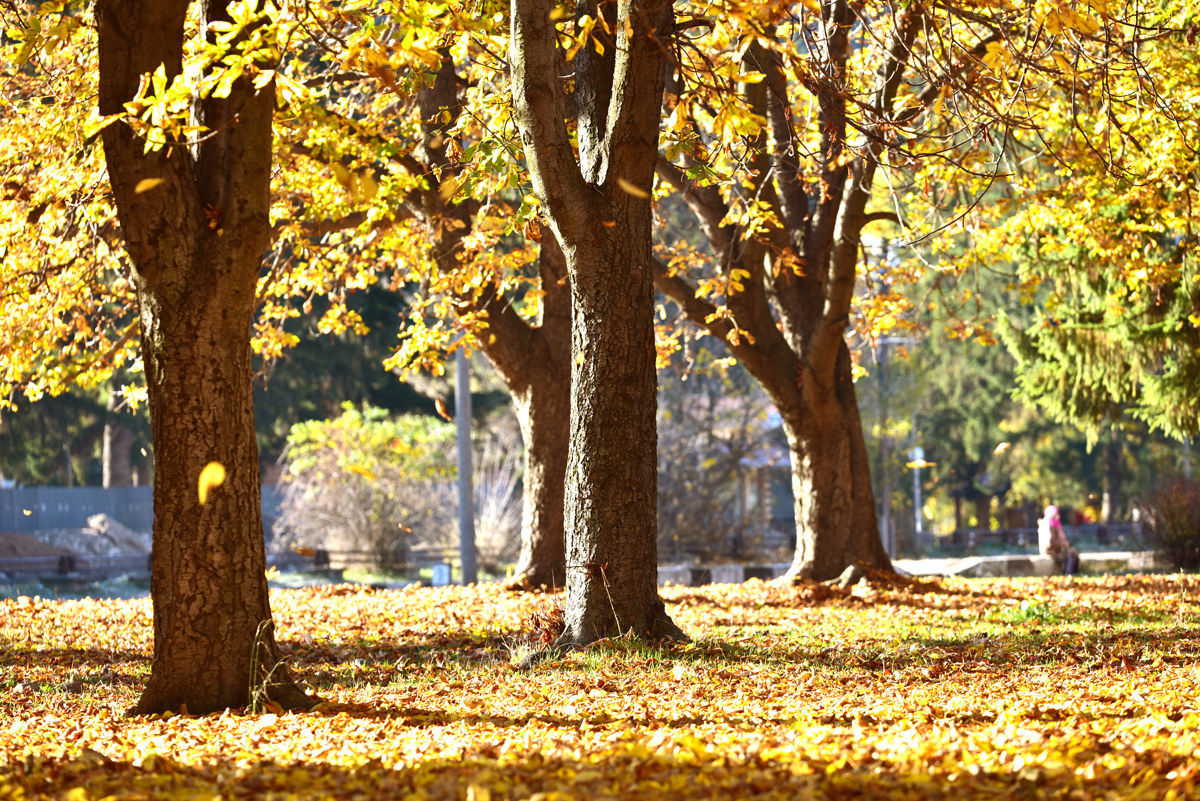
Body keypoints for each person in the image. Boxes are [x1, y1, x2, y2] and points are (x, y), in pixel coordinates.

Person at [1038, 504, 1079, 575]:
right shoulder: (1048, 524)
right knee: (1071, 553)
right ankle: (1068, 573)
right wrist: (1063, 544)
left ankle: (1070, 572)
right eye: (1056, 513)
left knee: (1073, 552)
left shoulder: (1054, 524)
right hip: (1051, 550)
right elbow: (1049, 542)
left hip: (1056, 549)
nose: (1058, 516)